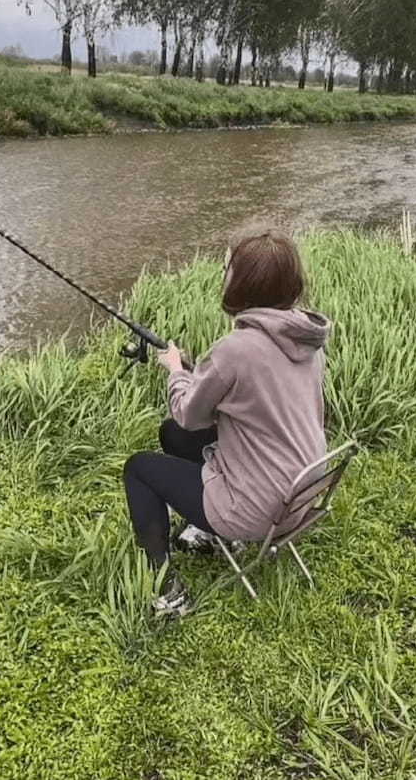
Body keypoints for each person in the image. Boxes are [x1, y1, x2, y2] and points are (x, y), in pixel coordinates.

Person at [123, 231, 331, 616]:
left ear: (243, 284)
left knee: (139, 469)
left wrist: (174, 370)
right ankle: (206, 532)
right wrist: (195, 377)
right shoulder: (306, 338)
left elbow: (188, 413)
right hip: (302, 494)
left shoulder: (235, 349)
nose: (225, 273)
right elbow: (246, 401)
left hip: (258, 508)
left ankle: (167, 591)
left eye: (228, 268)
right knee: (172, 436)